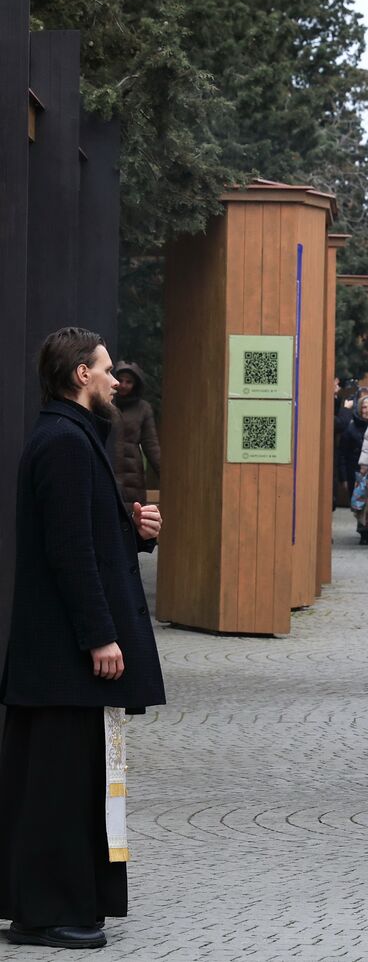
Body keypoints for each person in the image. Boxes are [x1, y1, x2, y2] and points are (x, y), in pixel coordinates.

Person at [1, 328, 165, 950]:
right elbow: (69, 554)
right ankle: (50, 911)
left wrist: (136, 529)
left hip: (59, 658)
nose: (114, 380)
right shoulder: (64, 444)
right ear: (79, 376)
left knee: (61, 783)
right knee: (59, 788)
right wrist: (100, 636)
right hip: (66, 656)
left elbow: (90, 536)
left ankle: (52, 905)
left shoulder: (70, 437)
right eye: (103, 370)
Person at [109, 362, 161, 509]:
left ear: (136, 384)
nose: (124, 385)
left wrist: (167, 478)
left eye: (129, 381)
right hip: (109, 469)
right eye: (121, 380)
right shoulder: (105, 404)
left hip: (133, 477)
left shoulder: (143, 408)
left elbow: (151, 446)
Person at [344, 394, 368, 544]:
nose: (367, 410)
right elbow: (343, 453)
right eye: (364, 407)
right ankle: (363, 529)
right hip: (357, 470)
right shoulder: (351, 427)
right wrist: (343, 476)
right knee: (360, 501)